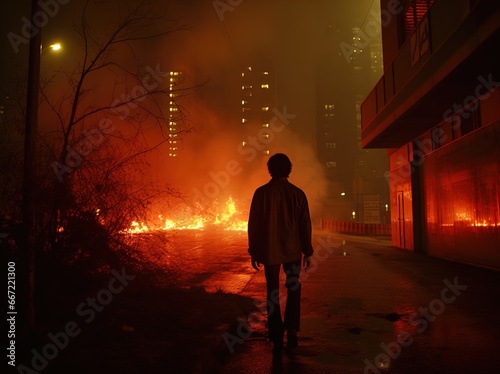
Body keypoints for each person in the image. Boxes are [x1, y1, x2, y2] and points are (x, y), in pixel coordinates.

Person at [247, 153, 314, 354]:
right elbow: (305, 225)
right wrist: (307, 251)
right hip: (293, 251)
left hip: (270, 251)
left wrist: (254, 250)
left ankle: (276, 336)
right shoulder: (298, 194)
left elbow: (254, 225)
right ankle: (292, 331)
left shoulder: (261, 193)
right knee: (294, 288)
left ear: (270, 170)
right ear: (289, 170)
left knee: (273, 291)